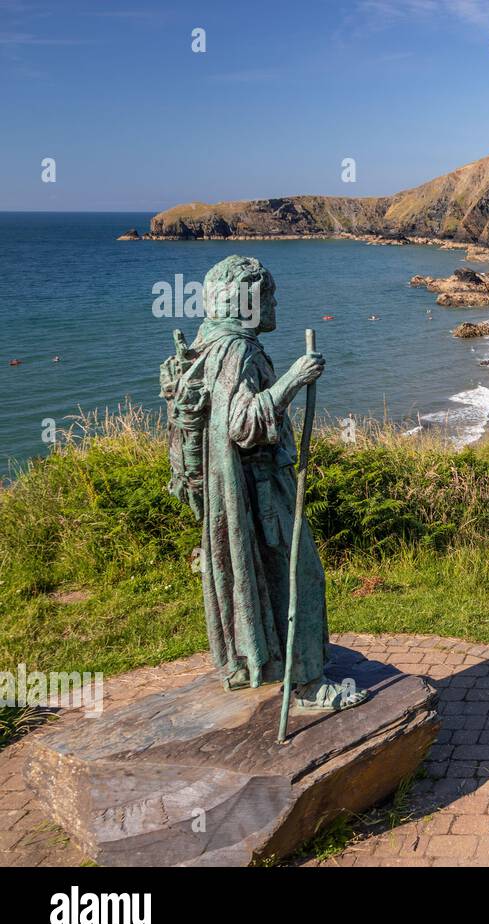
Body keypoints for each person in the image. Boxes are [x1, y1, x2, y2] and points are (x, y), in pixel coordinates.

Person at [170, 255, 364, 712]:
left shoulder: (211, 346)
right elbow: (242, 424)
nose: (276, 303)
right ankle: (308, 684)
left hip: (236, 491)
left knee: (264, 577)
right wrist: (295, 379)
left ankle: (253, 662)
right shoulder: (242, 351)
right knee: (299, 576)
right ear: (248, 303)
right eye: (269, 295)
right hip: (259, 493)